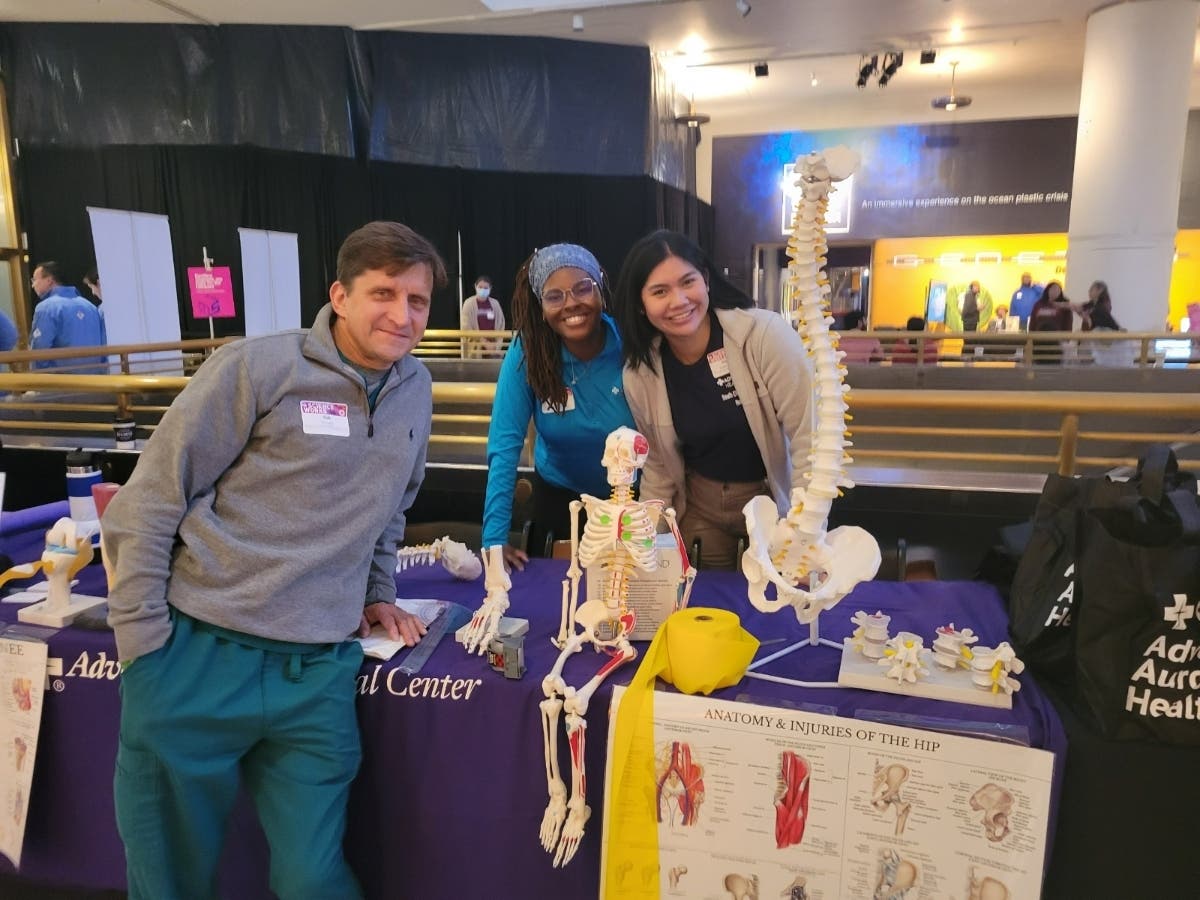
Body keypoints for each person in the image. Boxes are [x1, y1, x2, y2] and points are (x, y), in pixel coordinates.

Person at [103, 221, 443, 899]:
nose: (402, 316)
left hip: (316, 673)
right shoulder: (257, 367)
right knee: (169, 879)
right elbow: (151, 499)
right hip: (199, 655)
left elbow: (390, 510)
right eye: (383, 293)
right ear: (339, 296)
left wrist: (377, 592)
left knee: (313, 878)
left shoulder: (416, 388)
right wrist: (142, 647)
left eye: (418, 300)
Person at [615, 229, 812, 571]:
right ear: (640, 305)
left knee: (774, 598)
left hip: (769, 503)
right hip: (700, 508)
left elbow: (810, 440)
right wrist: (642, 548)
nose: (679, 301)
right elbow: (659, 466)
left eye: (687, 282)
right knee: (702, 598)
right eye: (660, 291)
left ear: (706, 280)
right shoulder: (640, 373)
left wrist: (805, 534)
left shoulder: (765, 336)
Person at [483, 243, 635, 569]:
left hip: (632, 501)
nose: (571, 304)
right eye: (554, 296)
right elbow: (504, 443)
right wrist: (494, 539)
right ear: (541, 307)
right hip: (560, 502)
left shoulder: (630, 344)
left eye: (582, 288)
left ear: (600, 289)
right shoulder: (529, 352)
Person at [29, 260, 107, 372]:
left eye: (34, 280)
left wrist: (38, 378)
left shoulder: (46, 308)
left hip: (62, 380)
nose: (33, 285)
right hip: (97, 378)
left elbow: (39, 352)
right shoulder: (90, 306)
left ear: (49, 280)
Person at [460, 274, 506, 359]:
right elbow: (466, 327)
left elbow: (501, 324)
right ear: (475, 286)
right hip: (475, 348)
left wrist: (495, 345)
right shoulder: (468, 303)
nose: (483, 290)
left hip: (493, 348)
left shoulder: (495, 304)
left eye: (485, 288)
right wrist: (484, 342)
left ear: (490, 288)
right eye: (480, 287)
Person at [1028, 281, 1074, 364]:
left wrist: (1066, 339)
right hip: (1039, 340)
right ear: (1047, 290)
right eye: (1052, 289)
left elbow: (1068, 323)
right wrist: (1030, 337)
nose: (1055, 292)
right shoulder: (1038, 304)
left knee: (1054, 363)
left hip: (1057, 340)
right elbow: (1033, 322)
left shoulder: (1065, 305)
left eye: (1057, 290)